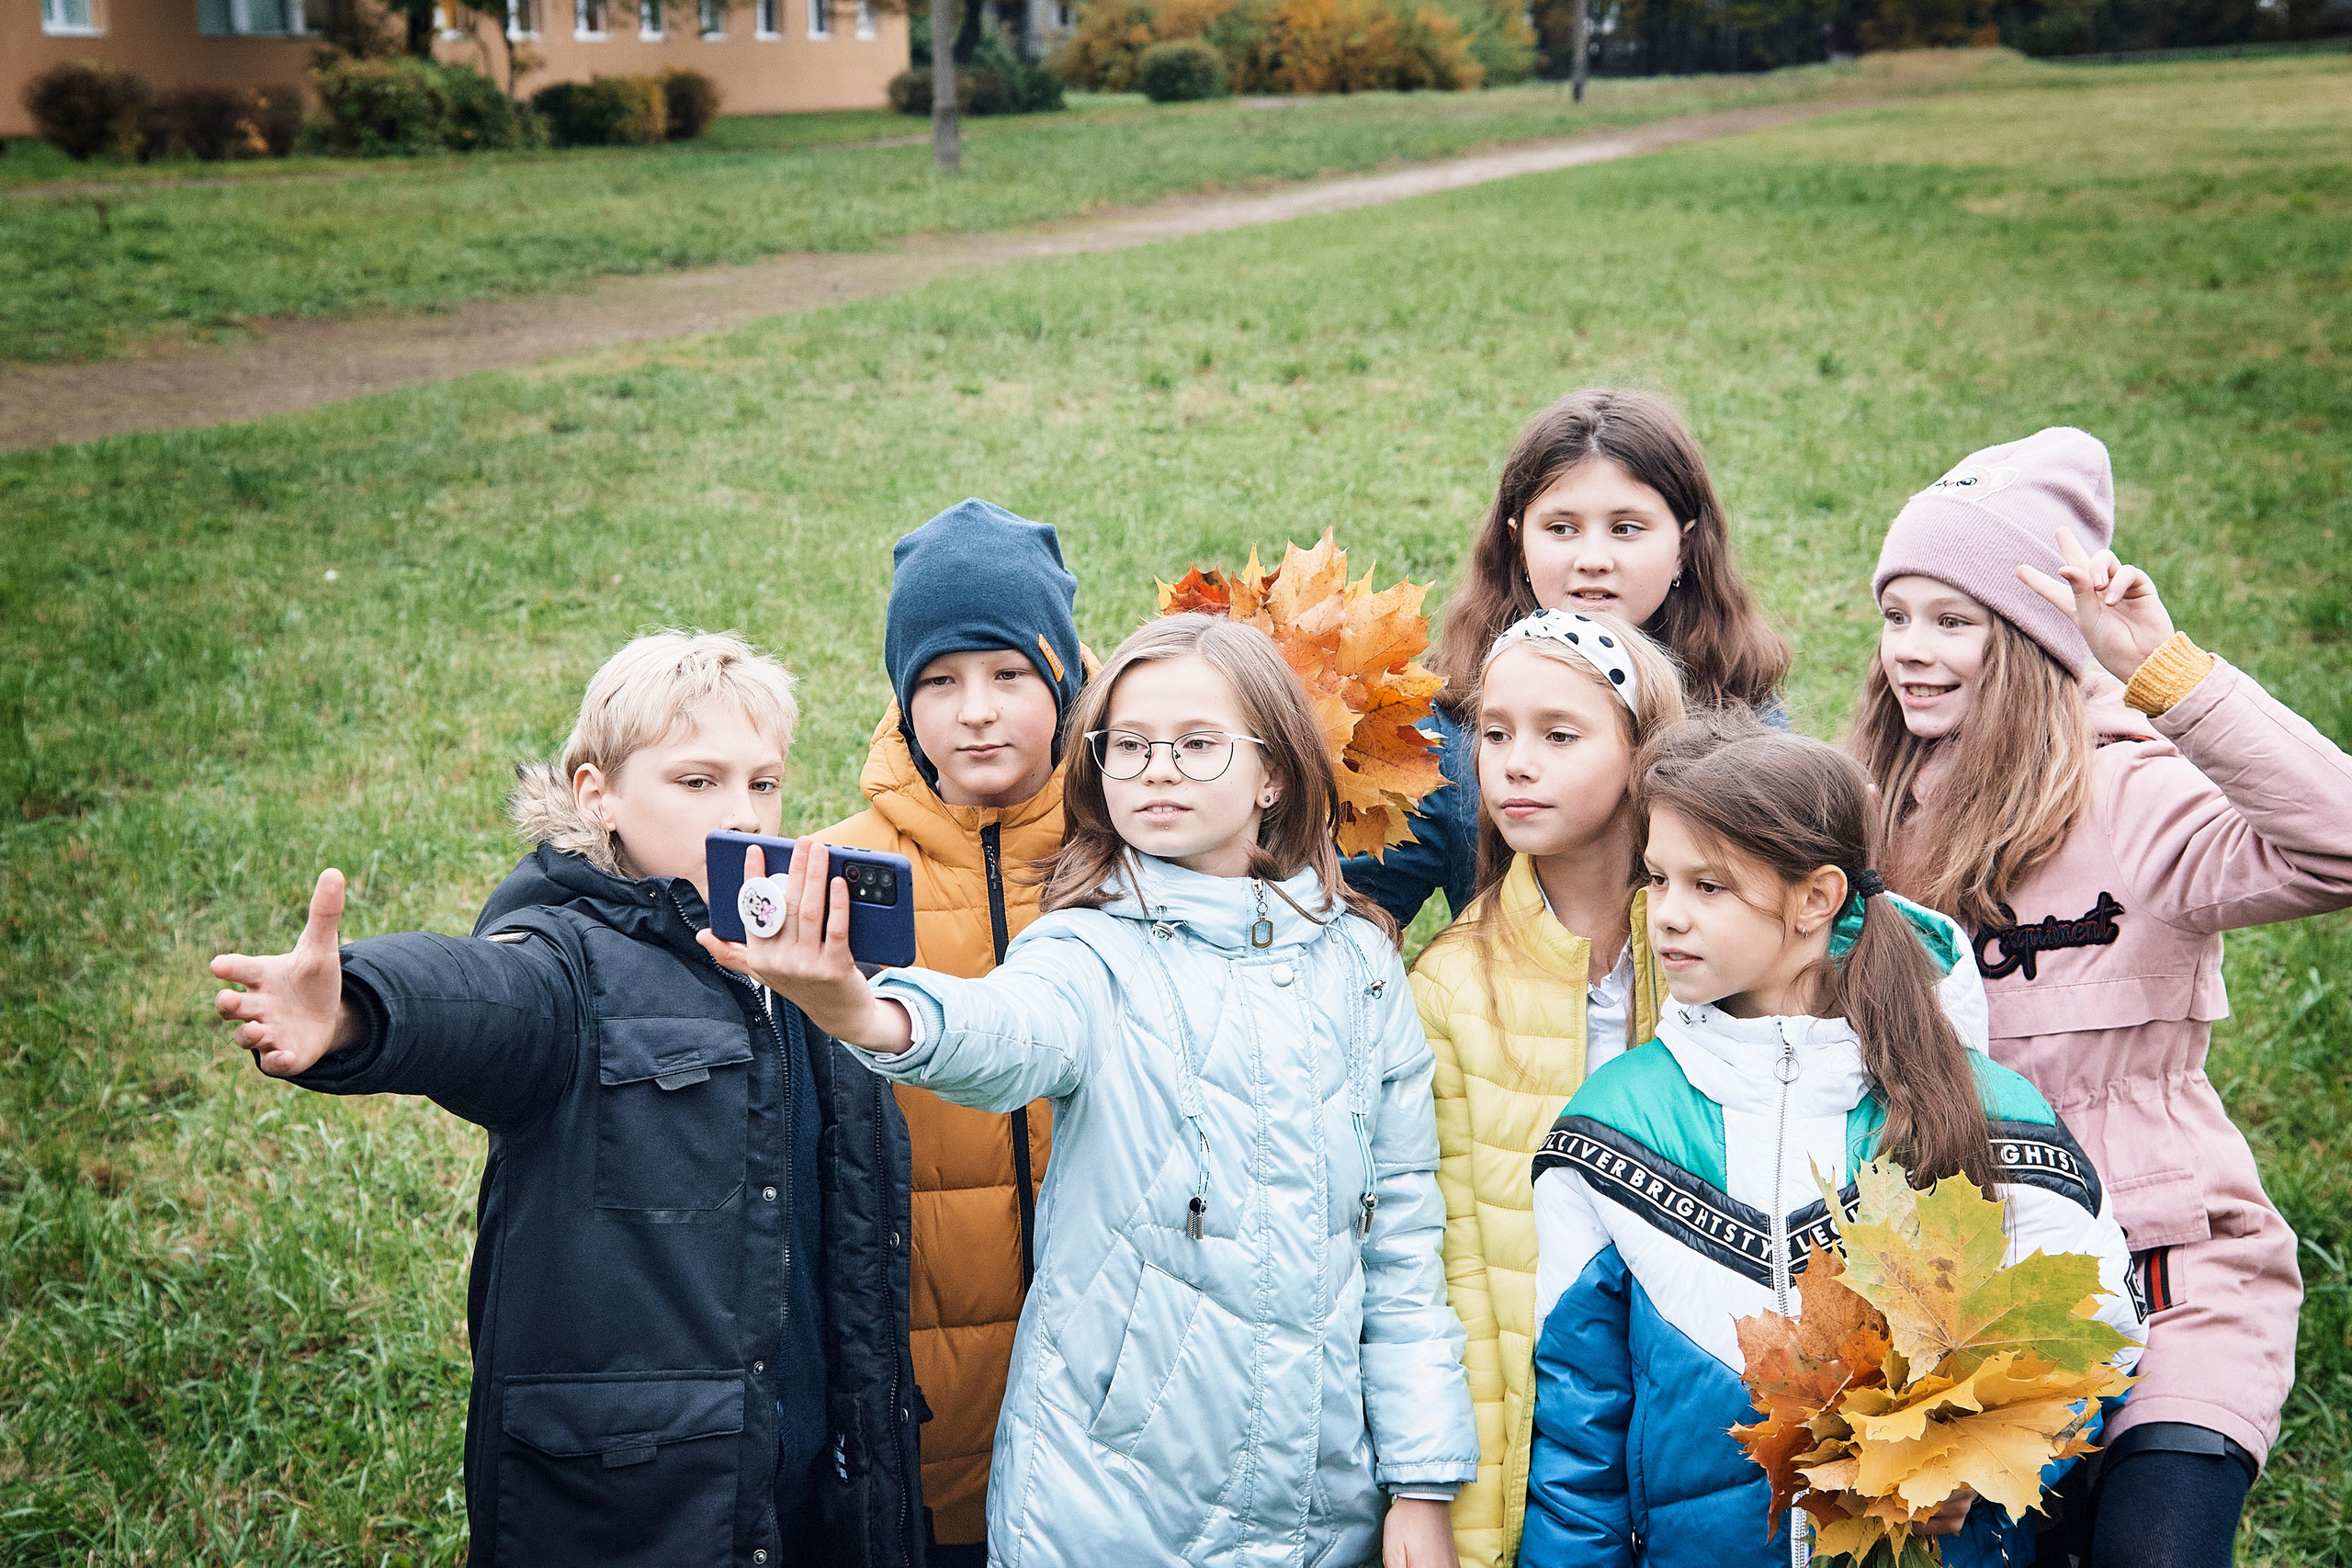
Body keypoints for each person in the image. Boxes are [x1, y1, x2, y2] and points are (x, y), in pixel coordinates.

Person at [708, 615, 1478, 1568]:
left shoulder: (1360, 964)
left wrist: (1420, 1480)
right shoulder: (1089, 947)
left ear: (1273, 774)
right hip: (1107, 1506)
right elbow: (1002, 1030)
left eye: (1198, 745)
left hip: (1324, 1512)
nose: (1159, 770)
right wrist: (863, 1012)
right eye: (1130, 745)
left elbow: (1401, 1240)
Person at [208, 633, 922, 1568]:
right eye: (697, 781)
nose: (743, 814)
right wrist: (357, 1007)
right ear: (597, 795)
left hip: (816, 1482)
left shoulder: (801, 963)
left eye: (763, 782)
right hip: (644, 1501)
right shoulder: (567, 956)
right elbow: (482, 998)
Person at [1853, 427, 2352, 1567]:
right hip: (1971, 1308)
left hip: (2171, 1284)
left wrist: (2161, 670)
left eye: (1953, 621)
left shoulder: (2133, 794)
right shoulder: (1874, 818)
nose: (1911, 651)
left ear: (2031, 637)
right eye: (1896, 616)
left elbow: (2339, 843)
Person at [1523, 716, 2143, 1568]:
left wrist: (1987, 1465)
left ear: (1817, 898)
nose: (1667, 915)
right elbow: (1577, 1425)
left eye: (1709, 886)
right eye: (1658, 878)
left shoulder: (1990, 1110)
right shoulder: (1613, 1124)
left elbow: (2096, 1329)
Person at [815, 499, 1085, 1564]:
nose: (975, 712)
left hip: (1106, 1416)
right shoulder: (836, 877)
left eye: (1009, 673)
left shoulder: (1135, 858)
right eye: (938, 680)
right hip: (918, 1413)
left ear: (1064, 680)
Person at [1407, 609, 1685, 1568]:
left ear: (1641, 754)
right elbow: (1437, 1264)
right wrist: (1439, 1493)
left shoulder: (1714, 959)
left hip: (1695, 1416)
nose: (1515, 764)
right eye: (1494, 734)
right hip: (1538, 1438)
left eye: (1559, 736)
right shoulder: (1451, 984)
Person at [1346, 389, 1792, 931]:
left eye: (1626, 528)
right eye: (1561, 528)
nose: (1593, 560)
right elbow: (1355, 916)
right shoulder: (1448, 727)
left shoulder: (1745, 718)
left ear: (1684, 544)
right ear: (1517, 542)